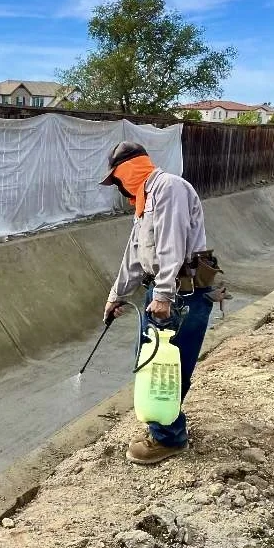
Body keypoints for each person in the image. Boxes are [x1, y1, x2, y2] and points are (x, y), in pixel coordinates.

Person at [99, 141, 222, 466]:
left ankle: (169, 437)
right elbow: (135, 254)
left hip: (182, 295)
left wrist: (164, 295)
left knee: (168, 366)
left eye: (118, 179)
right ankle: (162, 426)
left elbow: (171, 244)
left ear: (128, 170)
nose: (119, 187)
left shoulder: (168, 189)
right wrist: (117, 295)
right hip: (164, 292)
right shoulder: (145, 199)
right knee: (150, 362)